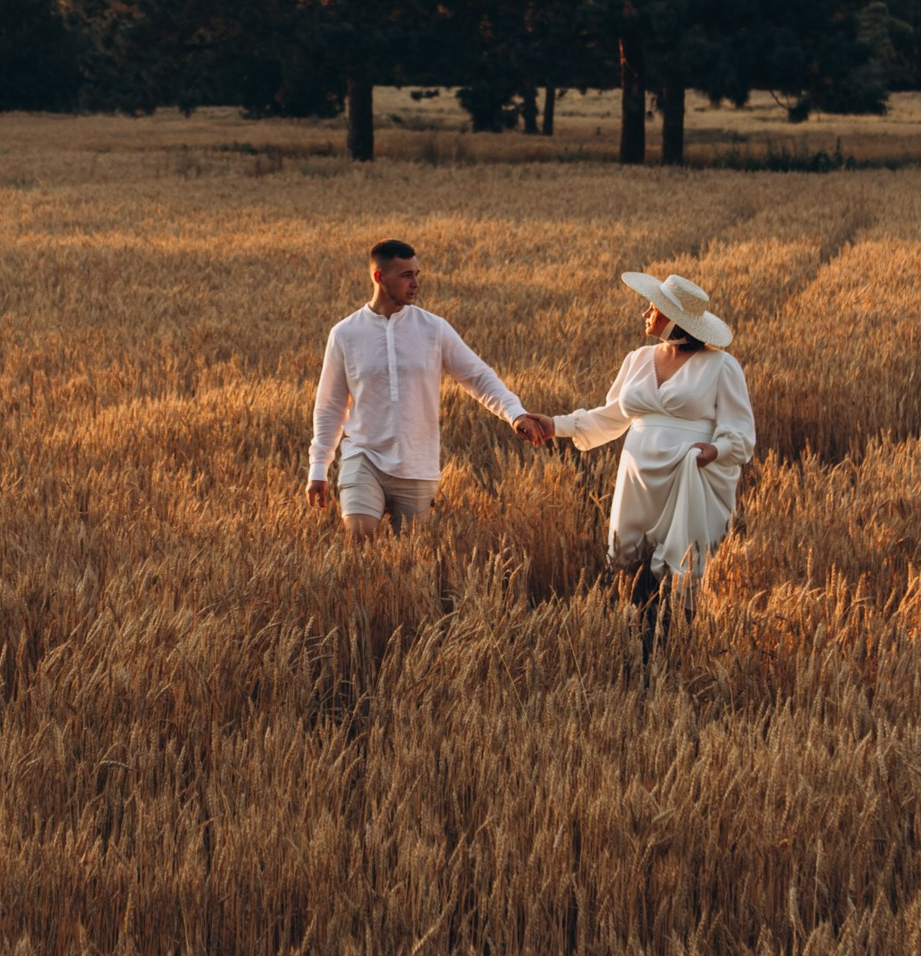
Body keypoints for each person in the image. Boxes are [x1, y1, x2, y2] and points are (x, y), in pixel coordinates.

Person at [542, 272, 754, 649]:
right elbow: (610, 417)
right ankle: (632, 644)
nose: (645, 313)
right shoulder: (637, 359)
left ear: (673, 318)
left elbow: (739, 432)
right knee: (628, 565)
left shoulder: (721, 366)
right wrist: (554, 425)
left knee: (681, 567)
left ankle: (680, 647)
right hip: (636, 478)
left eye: (653, 308)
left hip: (688, 476)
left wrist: (714, 451)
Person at [308, 239, 550, 540]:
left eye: (417, 274)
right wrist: (318, 467)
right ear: (379, 277)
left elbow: (478, 377)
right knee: (361, 538)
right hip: (364, 455)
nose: (415, 284)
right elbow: (330, 406)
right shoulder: (345, 334)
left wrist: (515, 414)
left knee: (409, 556)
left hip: (417, 464)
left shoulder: (434, 329)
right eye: (406, 275)